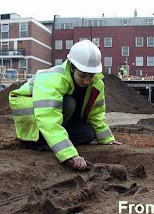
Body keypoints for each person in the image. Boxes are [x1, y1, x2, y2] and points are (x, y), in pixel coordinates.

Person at [9, 40, 122, 171]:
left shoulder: (96, 84)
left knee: (88, 134)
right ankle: (38, 142)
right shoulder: (53, 80)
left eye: (90, 76)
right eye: (82, 75)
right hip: (36, 121)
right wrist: (69, 154)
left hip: (59, 119)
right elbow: (48, 118)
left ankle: (54, 142)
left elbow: (96, 113)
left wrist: (107, 138)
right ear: (72, 67)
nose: (86, 81)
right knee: (69, 103)